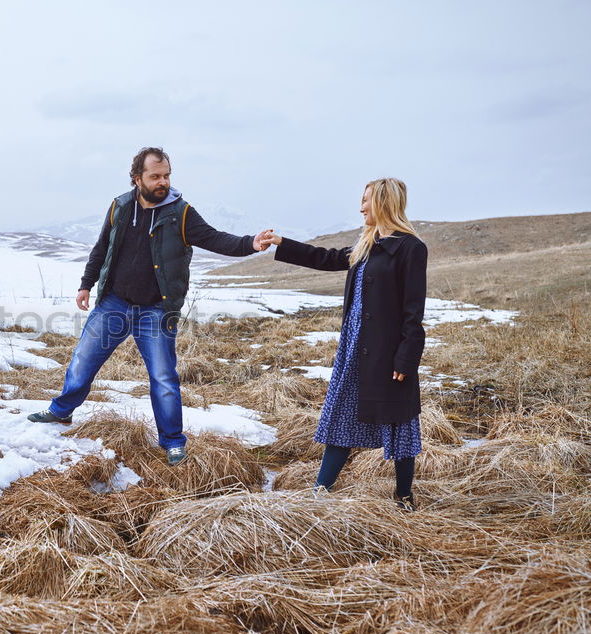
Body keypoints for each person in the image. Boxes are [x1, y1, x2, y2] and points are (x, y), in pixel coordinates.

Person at [28, 147, 263, 465]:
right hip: (114, 303)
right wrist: (86, 285)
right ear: (137, 178)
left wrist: (250, 243)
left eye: (166, 175)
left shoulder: (181, 213)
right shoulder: (120, 206)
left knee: (164, 378)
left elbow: (216, 239)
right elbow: (101, 249)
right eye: (155, 176)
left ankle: (172, 441)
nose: (162, 181)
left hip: (155, 310)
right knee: (82, 362)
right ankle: (61, 411)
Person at [256, 178, 427, 509]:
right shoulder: (366, 244)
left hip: (388, 354)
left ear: (384, 202)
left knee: (400, 423)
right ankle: (320, 492)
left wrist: (406, 359)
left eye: (366, 201)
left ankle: (404, 496)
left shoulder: (410, 248)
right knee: (341, 421)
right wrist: (282, 243)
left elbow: (413, 311)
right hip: (354, 350)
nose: (361, 207)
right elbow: (326, 257)